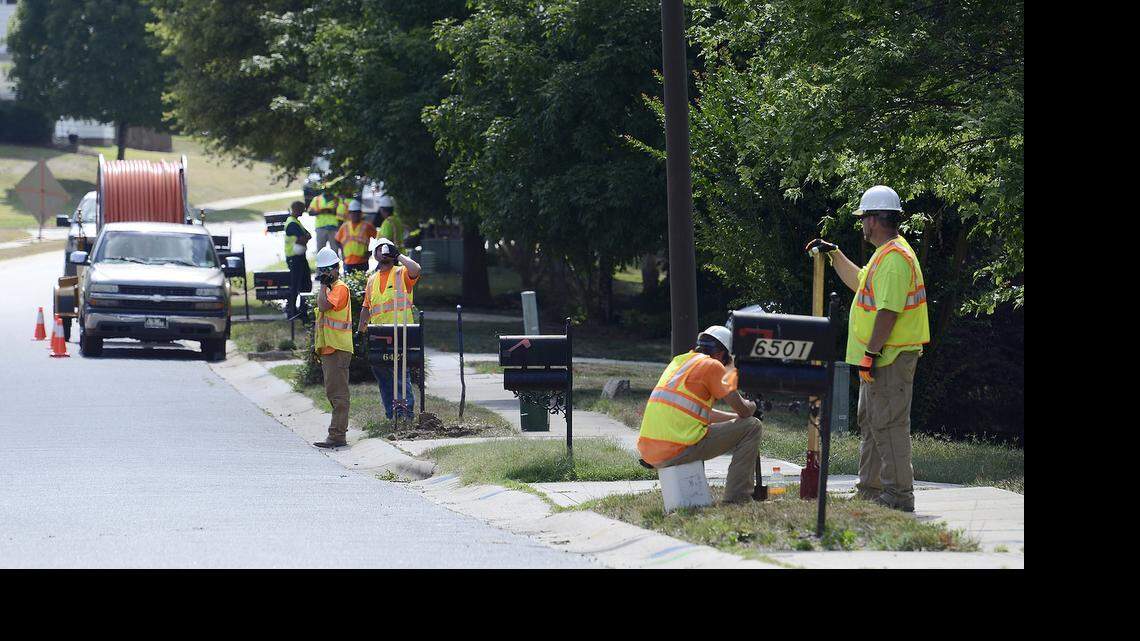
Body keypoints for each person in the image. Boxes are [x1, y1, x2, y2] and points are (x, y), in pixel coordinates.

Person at [804, 184, 930, 512]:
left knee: (888, 425)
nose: (862, 224)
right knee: (872, 423)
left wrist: (871, 354)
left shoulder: (894, 259)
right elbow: (859, 281)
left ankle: (898, 497)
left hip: (887, 358)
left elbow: (888, 312)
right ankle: (871, 490)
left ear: (873, 220)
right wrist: (834, 254)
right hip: (879, 358)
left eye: (863, 218)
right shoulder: (885, 256)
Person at [637, 325, 763, 504]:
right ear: (722, 355)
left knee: (744, 423)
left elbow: (699, 413)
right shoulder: (713, 365)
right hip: (677, 450)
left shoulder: (679, 361)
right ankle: (737, 498)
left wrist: (733, 420)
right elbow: (743, 410)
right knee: (752, 426)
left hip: (652, 452)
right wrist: (753, 403)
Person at [357, 239, 422, 422]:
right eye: (378, 250)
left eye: (385, 249)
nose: (382, 253)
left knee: (401, 373)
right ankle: (391, 414)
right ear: (374, 255)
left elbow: (416, 269)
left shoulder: (401, 273)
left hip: (401, 333)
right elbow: (366, 308)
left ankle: (405, 414)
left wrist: (398, 255)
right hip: (379, 336)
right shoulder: (372, 280)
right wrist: (360, 332)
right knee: (382, 374)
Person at [312, 247, 354, 448]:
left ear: (337, 269)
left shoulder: (340, 288)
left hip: (338, 348)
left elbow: (324, 306)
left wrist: (322, 287)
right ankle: (337, 432)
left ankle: (337, 435)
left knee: (338, 395)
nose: (325, 274)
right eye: (322, 270)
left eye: (328, 269)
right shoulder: (330, 289)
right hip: (330, 348)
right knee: (333, 392)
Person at [283, 201, 312, 318]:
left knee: (305, 283)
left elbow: (308, 235)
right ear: (296, 209)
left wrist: (305, 237)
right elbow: (303, 238)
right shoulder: (292, 223)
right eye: (302, 209)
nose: (303, 211)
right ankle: (292, 311)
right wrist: (305, 237)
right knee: (296, 284)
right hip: (294, 258)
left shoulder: (296, 222)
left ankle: (302, 309)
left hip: (299, 257)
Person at [335, 199, 376, 274]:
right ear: (349, 214)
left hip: (362, 261)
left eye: (357, 213)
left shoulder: (367, 226)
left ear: (360, 213)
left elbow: (379, 239)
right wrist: (343, 252)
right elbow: (337, 240)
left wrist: (371, 252)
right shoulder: (345, 226)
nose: (355, 215)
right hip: (348, 261)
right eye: (353, 213)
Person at [307, 185, 342, 253]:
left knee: (334, 251)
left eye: (328, 189)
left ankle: (335, 264)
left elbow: (341, 212)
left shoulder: (337, 199)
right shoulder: (317, 199)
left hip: (333, 227)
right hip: (321, 228)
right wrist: (320, 211)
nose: (326, 190)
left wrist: (331, 211)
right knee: (320, 251)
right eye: (324, 189)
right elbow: (310, 212)